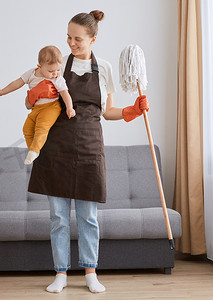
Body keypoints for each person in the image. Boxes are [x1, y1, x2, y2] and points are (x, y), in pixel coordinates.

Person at [27, 10, 149, 293]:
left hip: (89, 148)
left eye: (77, 39)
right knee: (58, 217)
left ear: (93, 38)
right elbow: (35, 98)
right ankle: (60, 274)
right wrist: (32, 95)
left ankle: (90, 272)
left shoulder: (103, 68)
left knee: (88, 217)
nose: (71, 43)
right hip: (55, 148)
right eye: (68, 37)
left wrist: (133, 110)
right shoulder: (57, 66)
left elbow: (108, 111)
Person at [0, 46, 76, 165]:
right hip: (36, 109)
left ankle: (35, 150)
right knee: (26, 129)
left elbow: (65, 93)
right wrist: (3, 91)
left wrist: (69, 107)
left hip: (51, 107)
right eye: (51, 71)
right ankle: (34, 150)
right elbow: (17, 83)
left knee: (42, 127)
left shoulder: (58, 79)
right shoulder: (31, 73)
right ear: (39, 67)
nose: (55, 74)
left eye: (58, 69)